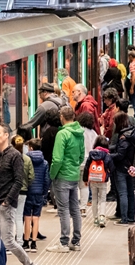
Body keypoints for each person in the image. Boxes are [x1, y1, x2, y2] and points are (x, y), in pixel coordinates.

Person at [0, 124, 34, 264]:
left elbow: (19, 181)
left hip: (5, 205)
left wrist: (7, 201)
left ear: (6, 135)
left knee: (8, 241)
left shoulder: (15, 155)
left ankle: (28, 262)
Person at [47, 107, 86, 253]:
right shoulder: (79, 133)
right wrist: (75, 166)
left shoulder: (62, 134)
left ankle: (63, 243)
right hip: (74, 175)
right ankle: (76, 242)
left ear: (62, 117)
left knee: (63, 210)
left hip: (62, 175)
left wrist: (52, 174)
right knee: (75, 209)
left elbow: (57, 159)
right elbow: (82, 155)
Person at [109, 112, 135, 225]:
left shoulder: (124, 137)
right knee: (130, 192)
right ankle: (131, 216)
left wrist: (109, 155)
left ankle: (124, 218)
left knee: (123, 193)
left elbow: (120, 154)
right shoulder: (133, 133)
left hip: (122, 167)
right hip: (131, 166)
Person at [21, 83, 68, 154]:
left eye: (40, 93)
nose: (39, 96)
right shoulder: (65, 102)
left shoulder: (43, 107)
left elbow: (30, 124)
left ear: (45, 92)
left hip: (49, 140)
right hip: (64, 137)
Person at [23, 138, 50, 252]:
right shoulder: (44, 162)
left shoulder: (25, 160)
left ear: (31, 148)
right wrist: (44, 192)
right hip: (39, 193)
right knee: (36, 217)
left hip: (28, 192)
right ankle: (34, 243)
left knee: (27, 217)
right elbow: (46, 179)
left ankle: (26, 241)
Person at [84, 136, 112, 228]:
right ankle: (102, 217)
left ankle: (95, 218)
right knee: (102, 199)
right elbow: (111, 167)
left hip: (92, 180)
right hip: (102, 180)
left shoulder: (91, 154)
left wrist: (85, 179)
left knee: (94, 199)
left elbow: (87, 167)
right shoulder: (106, 155)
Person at [76, 113, 100, 209]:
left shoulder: (78, 132)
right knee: (84, 185)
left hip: (78, 161)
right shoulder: (93, 133)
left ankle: (75, 206)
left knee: (74, 185)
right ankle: (83, 207)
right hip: (89, 162)